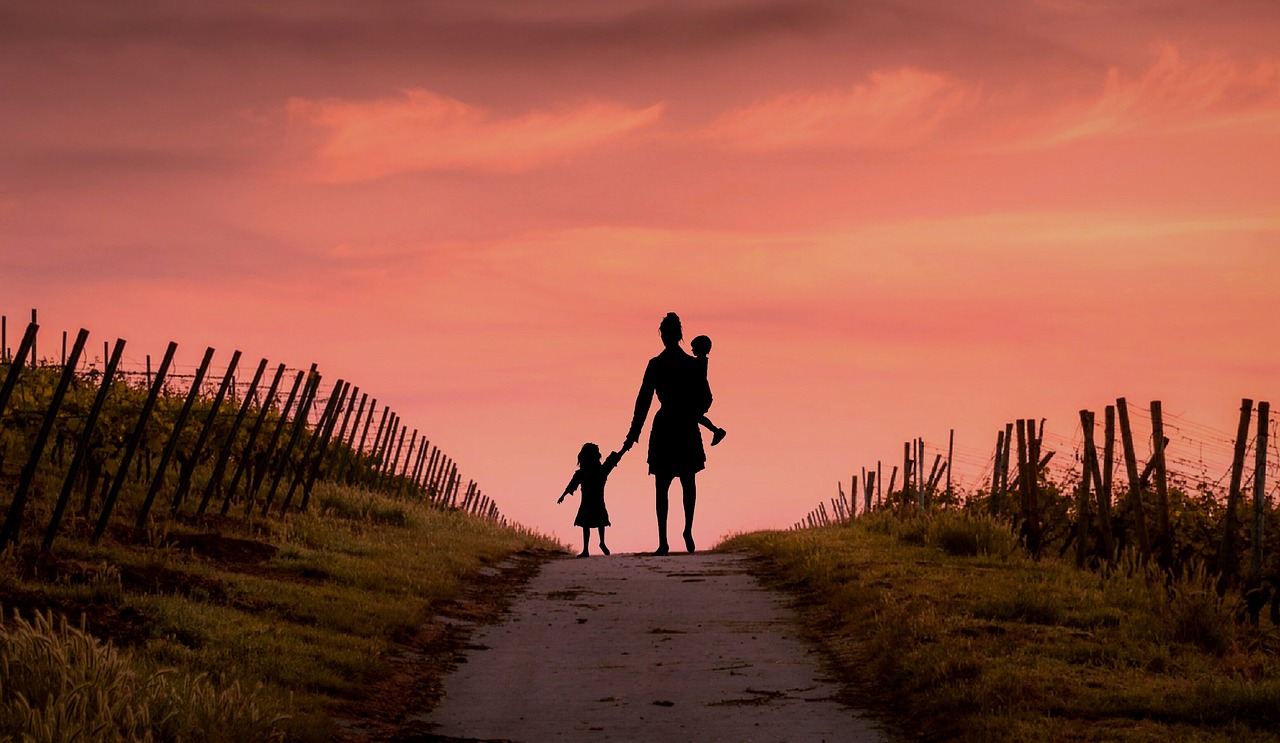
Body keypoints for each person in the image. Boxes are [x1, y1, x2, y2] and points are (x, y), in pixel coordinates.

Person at [624, 312, 711, 555]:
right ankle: (684, 531)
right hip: (682, 424)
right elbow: (705, 399)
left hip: (668, 425)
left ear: (665, 335)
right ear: (679, 335)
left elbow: (643, 401)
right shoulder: (689, 364)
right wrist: (634, 432)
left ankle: (666, 540)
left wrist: (634, 432)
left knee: (665, 486)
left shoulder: (658, 364)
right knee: (686, 483)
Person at [557, 442, 622, 557]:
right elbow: (610, 462)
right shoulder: (599, 471)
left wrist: (563, 495)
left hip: (588, 501)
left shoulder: (584, 472)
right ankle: (599, 543)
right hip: (595, 501)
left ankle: (588, 548)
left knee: (587, 525)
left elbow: (572, 485)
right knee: (599, 522)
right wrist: (622, 450)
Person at [689, 334, 726, 446]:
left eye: (694, 347)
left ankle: (716, 431)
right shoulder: (699, 361)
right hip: (702, 395)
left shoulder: (699, 362)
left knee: (694, 416)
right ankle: (716, 431)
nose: (692, 350)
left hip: (702, 396)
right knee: (695, 417)